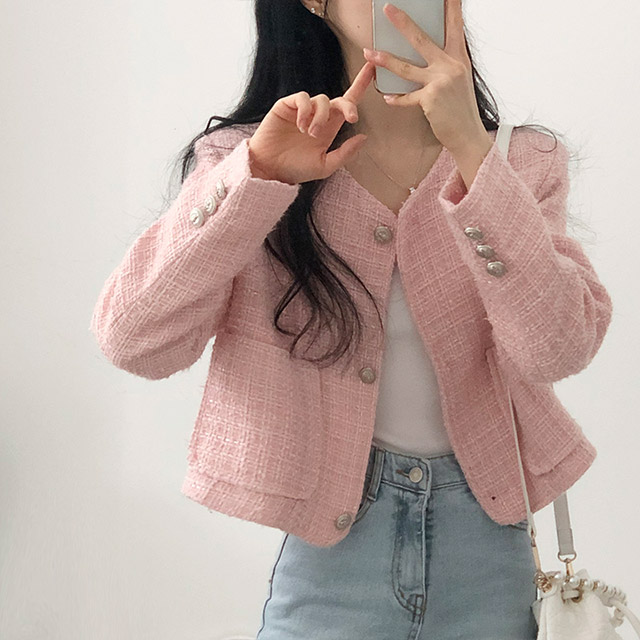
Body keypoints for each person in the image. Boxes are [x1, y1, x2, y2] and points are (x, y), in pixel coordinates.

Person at [89, 1, 614, 638]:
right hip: (333, 563)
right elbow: (135, 341)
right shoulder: (249, 158)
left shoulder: (519, 160)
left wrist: (474, 154)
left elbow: (559, 349)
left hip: (488, 551)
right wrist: (258, 178)